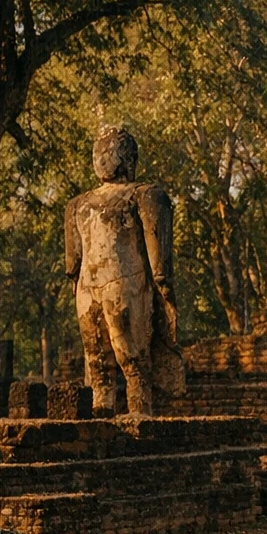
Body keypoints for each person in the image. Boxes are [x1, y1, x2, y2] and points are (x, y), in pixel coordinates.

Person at [65, 126, 183, 416]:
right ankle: (139, 424)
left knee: (100, 372)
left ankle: (100, 424)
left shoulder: (77, 206)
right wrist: (165, 292)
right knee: (136, 368)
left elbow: (72, 267)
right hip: (126, 286)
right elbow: (159, 262)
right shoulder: (146, 195)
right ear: (129, 161)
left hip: (86, 292)